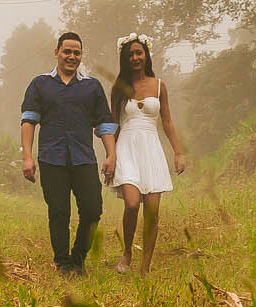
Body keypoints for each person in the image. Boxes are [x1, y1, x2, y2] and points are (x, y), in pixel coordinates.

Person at [20, 33, 118, 276]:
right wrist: (27, 157)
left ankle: (78, 257)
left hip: (83, 157)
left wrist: (111, 155)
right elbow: (29, 121)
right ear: (57, 52)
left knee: (93, 209)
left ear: (81, 55)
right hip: (51, 158)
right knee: (59, 212)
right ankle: (63, 263)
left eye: (76, 53)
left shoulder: (91, 86)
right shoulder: (40, 84)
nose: (72, 57)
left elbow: (104, 123)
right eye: (67, 51)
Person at [107, 34, 188, 275]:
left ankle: (145, 267)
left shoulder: (159, 84)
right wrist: (110, 156)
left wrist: (178, 152)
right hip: (126, 147)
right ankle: (128, 252)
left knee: (152, 211)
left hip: (151, 148)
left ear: (146, 55)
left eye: (139, 53)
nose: (135, 57)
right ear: (125, 58)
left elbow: (168, 122)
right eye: (130, 54)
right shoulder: (118, 88)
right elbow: (112, 125)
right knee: (132, 204)